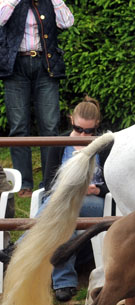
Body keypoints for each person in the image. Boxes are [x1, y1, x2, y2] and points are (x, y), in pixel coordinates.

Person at [0, 0, 74, 198]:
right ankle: (24, 182)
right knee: (18, 127)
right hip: (15, 67)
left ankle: (48, 181)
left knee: (50, 126)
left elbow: (67, 22)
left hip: (45, 65)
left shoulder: (49, 2)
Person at [43, 97, 106, 302]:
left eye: (88, 132)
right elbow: (48, 185)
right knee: (67, 216)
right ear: (71, 120)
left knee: (64, 206)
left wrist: (98, 190)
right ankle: (64, 284)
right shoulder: (60, 143)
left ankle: (20, 246)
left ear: (97, 125)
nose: (83, 135)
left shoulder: (104, 146)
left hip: (94, 203)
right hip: (65, 202)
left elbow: (114, 183)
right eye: (78, 129)